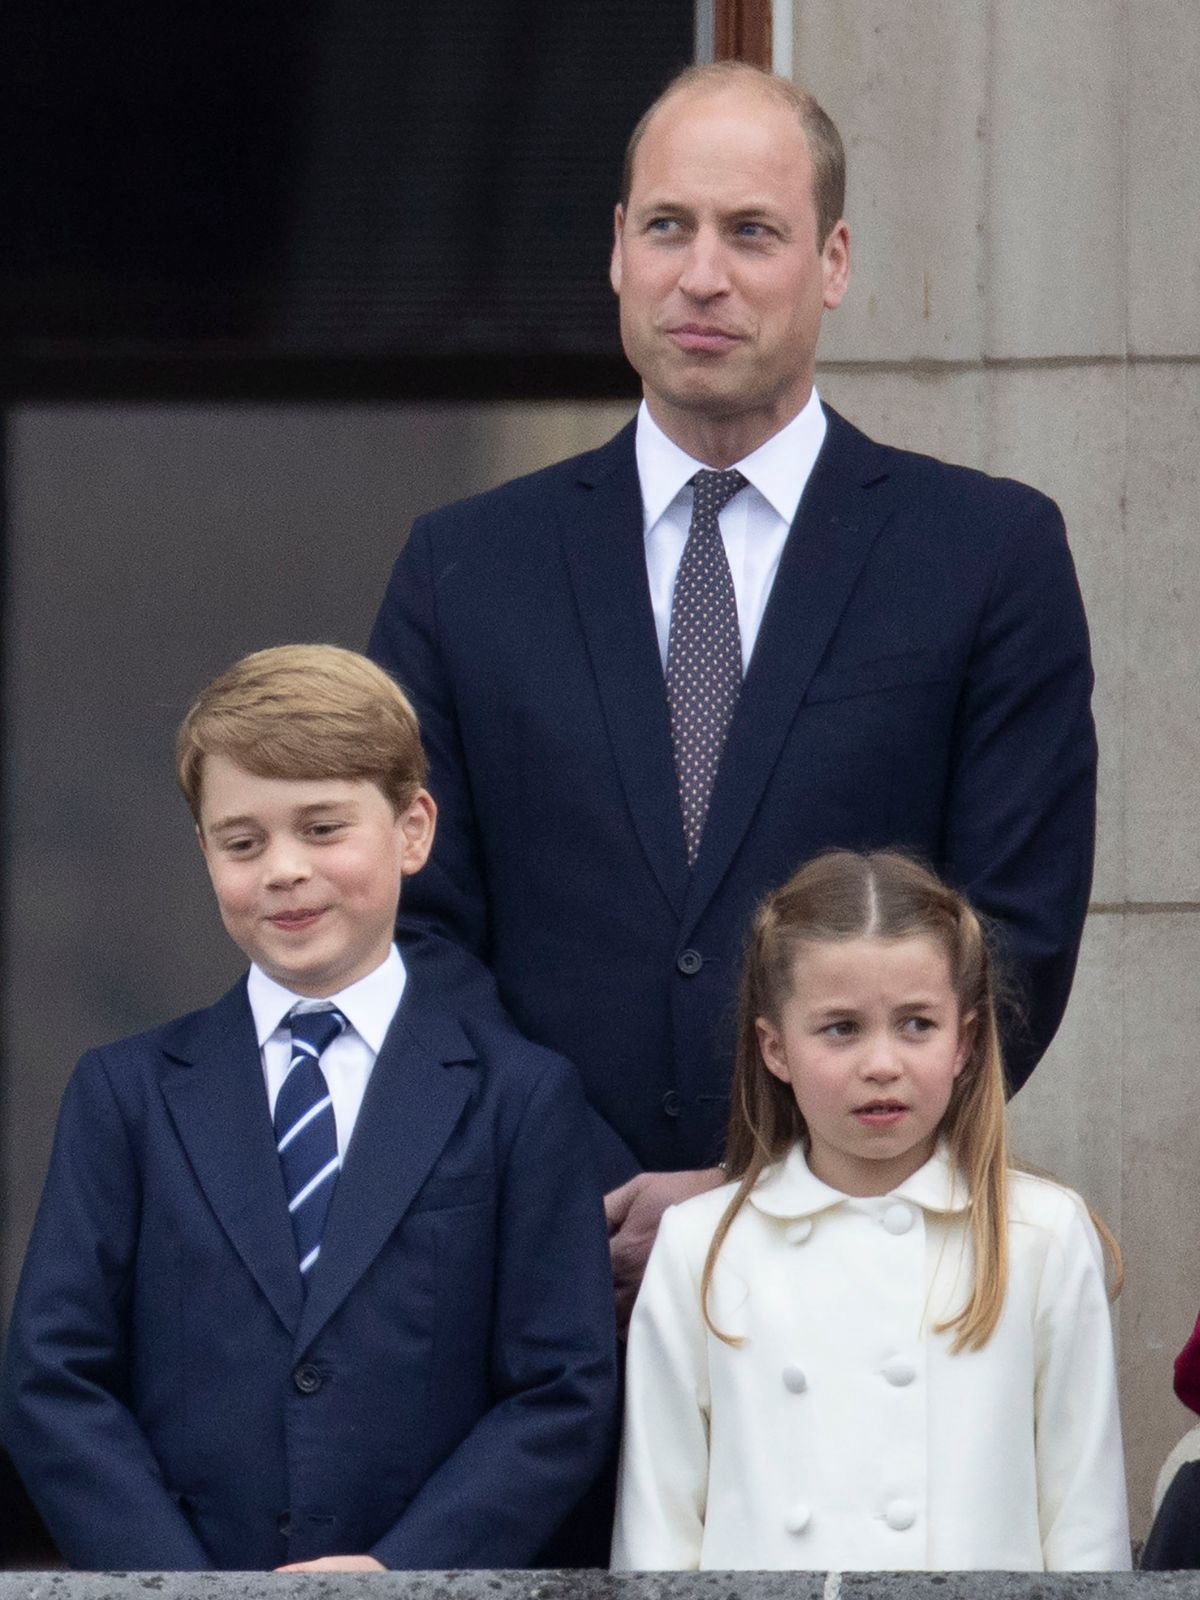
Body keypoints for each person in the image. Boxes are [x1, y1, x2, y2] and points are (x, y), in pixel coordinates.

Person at [367, 62, 1098, 1327]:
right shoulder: (462, 565)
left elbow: (1011, 933)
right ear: (615, 251)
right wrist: (568, 1179)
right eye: (669, 226)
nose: (702, 274)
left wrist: (762, 1185)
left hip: (860, 1281)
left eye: (752, 231)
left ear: (834, 261)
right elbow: (407, 922)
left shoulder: (986, 555)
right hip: (538, 1293)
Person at [1, 645, 617, 1571]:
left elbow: (560, 1389)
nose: (283, 870)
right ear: (204, 850)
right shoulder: (123, 1094)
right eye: (242, 842)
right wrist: (178, 1587)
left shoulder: (521, 1098)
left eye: (323, 828)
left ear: (413, 829)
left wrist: (402, 1573)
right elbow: (54, 1379)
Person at [610, 850, 1129, 1572]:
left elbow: (1085, 1528)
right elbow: (657, 1534)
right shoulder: (700, 1246)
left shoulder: (1040, 1236)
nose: (881, 1063)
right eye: (841, 1028)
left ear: (966, 1042)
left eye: (916, 1024)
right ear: (775, 1048)